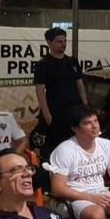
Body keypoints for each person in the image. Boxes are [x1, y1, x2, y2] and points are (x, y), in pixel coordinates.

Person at [34, 27, 88, 158]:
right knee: (55, 151)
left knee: (75, 148)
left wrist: (85, 107)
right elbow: (40, 91)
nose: (63, 44)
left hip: (74, 113)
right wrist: (48, 117)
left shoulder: (72, 62)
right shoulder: (43, 64)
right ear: (49, 42)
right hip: (56, 114)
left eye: (65, 41)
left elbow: (80, 85)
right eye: (59, 41)